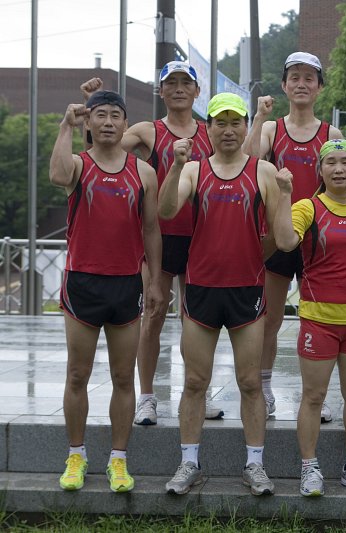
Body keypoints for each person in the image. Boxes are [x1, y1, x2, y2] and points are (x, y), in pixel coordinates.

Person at [80, 61, 221, 425]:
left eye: (184, 83)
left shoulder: (211, 132)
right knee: (153, 314)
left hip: (200, 237)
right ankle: (146, 396)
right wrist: (90, 107)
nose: (177, 89)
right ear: (161, 91)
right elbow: (101, 145)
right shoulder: (147, 130)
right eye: (170, 83)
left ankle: (196, 394)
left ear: (196, 91)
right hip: (158, 236)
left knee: (196, 321)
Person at [159, 93, 281, 496]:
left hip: (246, 291)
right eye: (219, 123)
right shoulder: (194, 169)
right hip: (201, 290)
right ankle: (188, 462)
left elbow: (281, 238)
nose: (228, 131)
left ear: (246, 126)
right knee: (195, 381)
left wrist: (286, 196)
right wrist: (176, 167)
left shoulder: (263, 171)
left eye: (235, 123)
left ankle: (256, 465)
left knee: (250, 382)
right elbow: (166, 210)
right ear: (207, 129)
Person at [49, 91, 163, 492]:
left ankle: (119, 460)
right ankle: (76, 455)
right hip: (83, 283)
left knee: (122, 377)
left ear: (125, 123)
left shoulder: (143, 172)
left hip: (126, 284)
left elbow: (151, 228)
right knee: (77, 374)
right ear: (90, 123)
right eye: (101, 115)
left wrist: (154, 281)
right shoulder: (79, 166)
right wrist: (66, 125)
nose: (110, 122)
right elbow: (57, 176)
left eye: (117, 115)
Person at [272, 139, 346, 497]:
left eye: (345, 162)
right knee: (314, 396)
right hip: (319, 320)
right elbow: (284, 242)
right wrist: (283, 194)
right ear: (320, 170)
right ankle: (309, 466)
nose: (339, 169)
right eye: (331, 163)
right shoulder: (308, 207)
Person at [243, 52, 343, 423]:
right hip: (275, 233)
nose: (301, 84)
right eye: (294, 78)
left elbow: (339, 180)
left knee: (317, 320)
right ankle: (265, 388)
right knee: (268, 318)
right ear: (284, 85)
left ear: (319, 87)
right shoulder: (271, 129)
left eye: (309, 78)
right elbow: (248, 162)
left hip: (316, 237)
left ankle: (316, 395)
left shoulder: (330, 133)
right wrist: (258, 118)